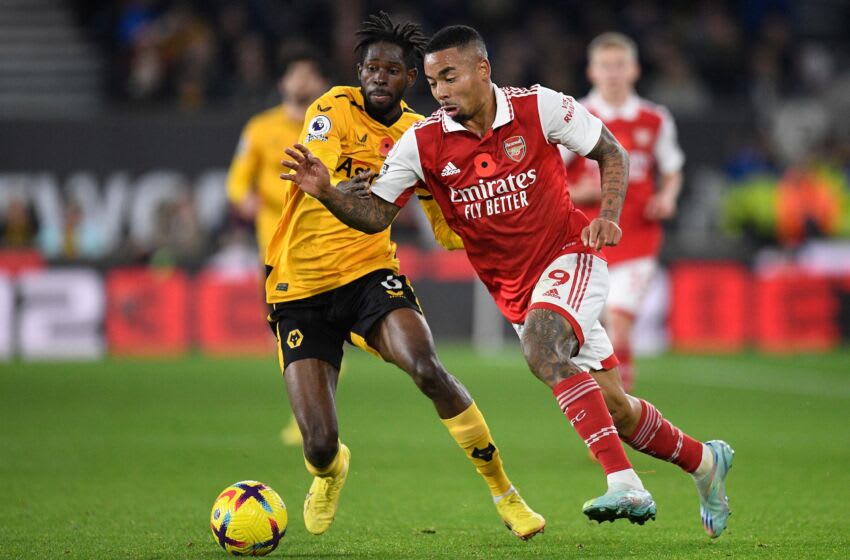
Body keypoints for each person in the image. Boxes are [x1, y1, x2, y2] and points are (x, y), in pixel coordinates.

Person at [282, 24, 734, 538]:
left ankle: (624, 482)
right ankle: (705, 462)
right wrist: (327, 192)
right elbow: (376, 215)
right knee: (617, 409)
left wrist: (608, 216)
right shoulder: (421, 143)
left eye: (450, 77)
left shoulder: (539, 107)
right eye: (433, 82)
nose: (441, 91)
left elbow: (612, 151)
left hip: (570, 255)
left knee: (542, 350)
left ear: (483, 69)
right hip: (514, 290)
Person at [269, 13, 545, 540]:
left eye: (391, 70)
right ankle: (330, 471)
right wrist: (330, 187)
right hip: (299, 284)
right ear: (359, 73)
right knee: (319, 444)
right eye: (371, 68)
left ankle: (504, 491)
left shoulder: (419, 136)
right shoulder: (332, 107)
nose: (379, 77)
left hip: (369, 274)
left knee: (426, 367)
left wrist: (501, 223)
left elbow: (446, 227)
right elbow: (320, 171)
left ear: (410, 78)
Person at [566, 33, 685, 392]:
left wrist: (667, 197)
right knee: (590, 332)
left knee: (619, 323)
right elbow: (549, 176)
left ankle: (622, 408)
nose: (613, 73)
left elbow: (672, 169)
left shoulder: (654, 118)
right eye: (605, 66)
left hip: (637, 238)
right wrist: (577, 192)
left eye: (620, 65)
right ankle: (604, 402)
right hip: (586, 240)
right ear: (592, 71)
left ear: (634, 70)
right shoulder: (575, 115)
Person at [226, 48, 330, 445]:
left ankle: (313, 414)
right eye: (296, 74)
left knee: (324, 329)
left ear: (321, 84)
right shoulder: (260, 128)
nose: (302, 81)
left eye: (309, 74)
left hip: (323, 242)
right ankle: (305, 410)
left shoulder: (330, 127)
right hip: (274, 248)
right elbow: (238, 178)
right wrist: (243, 198)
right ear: (284, 82)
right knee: (286, 334)